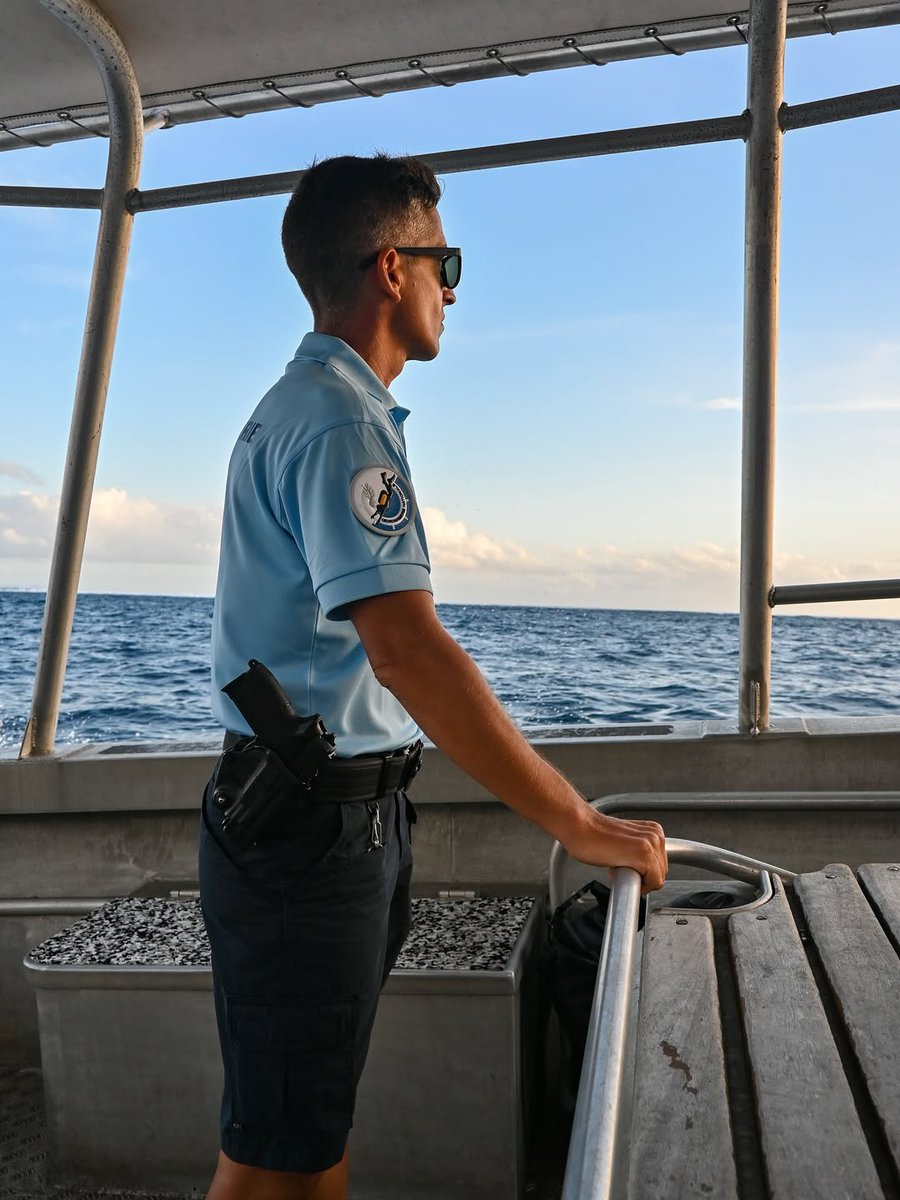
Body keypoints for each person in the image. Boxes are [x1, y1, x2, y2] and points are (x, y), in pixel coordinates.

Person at [199, 153, 667, 1200]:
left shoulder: (310, 405)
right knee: (272, 1153)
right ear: (388, 267)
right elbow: (407, 651)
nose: (452, 286)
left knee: (304, 1130)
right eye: (443, 260)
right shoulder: (339, 421)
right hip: (308, 836)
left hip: (328, 817)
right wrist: (579, 826)